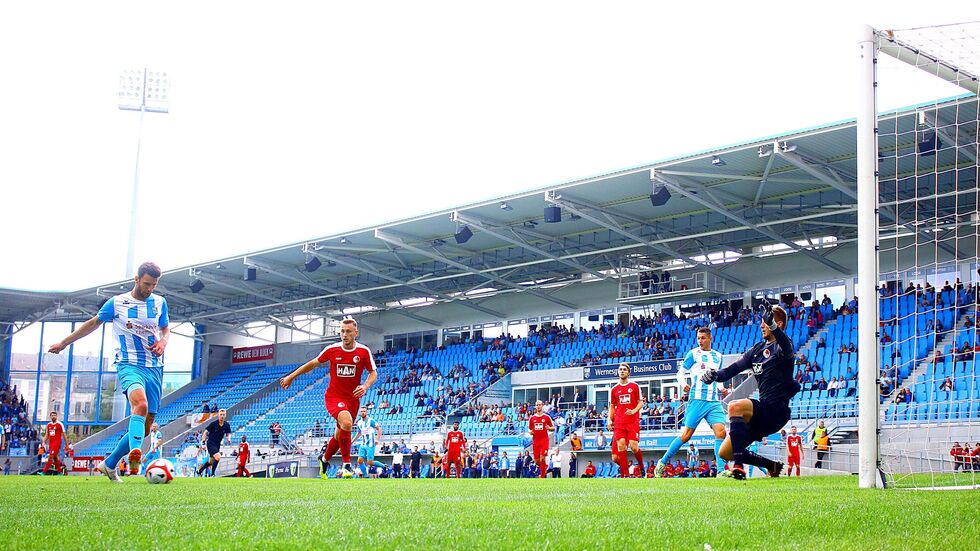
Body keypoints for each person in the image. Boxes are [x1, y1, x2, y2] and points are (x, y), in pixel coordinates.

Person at [47, 262, 168, 482]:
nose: (150, 288)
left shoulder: (160, 303)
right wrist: (64, 343)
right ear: (137, 279)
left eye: (154, 285)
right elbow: (93, 323)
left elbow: (165, 327)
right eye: (147, 283)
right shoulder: (117, 303)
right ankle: (134, 455)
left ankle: (110, 464)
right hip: (129, 363)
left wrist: (163, 341)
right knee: (140, 405)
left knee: (147, 426)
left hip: (155, 367)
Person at [702, 302, 801, 479]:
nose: (762, 325)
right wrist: (714, 375)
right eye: (762, 322)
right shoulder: (756, 350)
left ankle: (738, 467)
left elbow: (786, 346)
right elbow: (730, 371)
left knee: (735, 406)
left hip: (776, 411)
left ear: (777, 324)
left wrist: (774, 328)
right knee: (725, 453)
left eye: (767, 322)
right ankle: (772, 466)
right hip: (762, 413)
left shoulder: (782, 347)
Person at [280, 318, 377, 477]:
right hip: (334, 396)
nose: (344, 335)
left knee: (340, 435)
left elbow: (373, 373)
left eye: (348, 332)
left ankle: (324, 459)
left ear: (356, 333)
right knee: (346, 422)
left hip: (352, 399)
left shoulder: (363, 351)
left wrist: (365, 386)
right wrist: (291, 376)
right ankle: (346, 465)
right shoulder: (332, 349)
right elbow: (313, 363)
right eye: (342, 331)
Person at [656, 328, 728, 477]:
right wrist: (683, 384)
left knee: (721, 432)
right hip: (697, 399)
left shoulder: (718, 356)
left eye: (702, 338)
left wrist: (722, 388)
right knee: (686, 436)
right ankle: (662, 462)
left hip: (713, 401)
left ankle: (721, 471)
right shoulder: (693, 354)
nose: (700, 341)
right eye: (698, 338)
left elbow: (717, 377)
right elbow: (680, 372)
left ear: (710, 338)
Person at [609, 363, 644, 478]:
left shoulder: (634, 386)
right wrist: (610, 419)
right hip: (619, 422)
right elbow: (612, 406)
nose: (622, 371)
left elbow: (640, 402)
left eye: (624, 369)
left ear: (628, 372)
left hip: (633, 421)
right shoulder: (614, 389)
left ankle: (641, 466)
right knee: (621, 447)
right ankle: (625, 476)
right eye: (620, 369)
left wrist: (634, 411)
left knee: (634, 447)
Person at [197, 409, 233, 476]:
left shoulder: (227, 425)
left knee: (211, 461)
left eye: (223, 415)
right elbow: (205, 433)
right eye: (221, 414)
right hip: (211, 443)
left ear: (225, 415)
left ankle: (199, 470)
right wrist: (203, 443)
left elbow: (228, 433)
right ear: (218, 415)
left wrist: (228, 438)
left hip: (217, 444)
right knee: (218, 457)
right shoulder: (213, 424)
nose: (222, 416)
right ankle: (213, 474)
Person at [352, 407, 384, 478]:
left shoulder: (370, 421)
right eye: (361, 411)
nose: (363, 412)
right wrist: (352, 441)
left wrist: (377, 439)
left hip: (370, 444)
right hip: (363, 444)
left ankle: (384, 466)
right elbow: (359, 433)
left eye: (364, 411)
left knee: (370, 463)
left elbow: (379, 429)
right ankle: (366, 475)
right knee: (359, 460)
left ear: (366, 412)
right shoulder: (359, 422)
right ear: (360, 413)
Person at [528, 400, 555, 479]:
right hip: (535, 441)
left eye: (539, 405)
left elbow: (553, 427)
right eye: (537, 405)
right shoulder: (532, 418)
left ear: (542, 405)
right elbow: (529, 429)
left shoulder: (546, 417)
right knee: (536, 461)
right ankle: (545, 466)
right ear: (535, 406)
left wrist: (549, 428)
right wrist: (530, 432)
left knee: (542, 457)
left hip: (544, 440)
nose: (538, 406)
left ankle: (542, 477)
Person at [42, 411, 65, 475]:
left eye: (54, 415)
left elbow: (63, 434)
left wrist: (66, 444)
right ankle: (60, 472)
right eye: (52, 415)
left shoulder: (59, 424)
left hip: (57, 443)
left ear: (56, 416)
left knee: (51, 456)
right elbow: (47, 434)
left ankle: (44, 472)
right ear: (50, 416)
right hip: (51, 443)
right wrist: (43, 441)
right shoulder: (49, 425)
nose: (53, 416)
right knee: (55, 457)